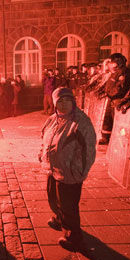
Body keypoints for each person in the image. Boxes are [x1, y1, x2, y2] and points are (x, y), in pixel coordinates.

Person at [39, 87, 96, 250]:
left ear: (73, 102)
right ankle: (59, 218)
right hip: (53, 168)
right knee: (53, 197)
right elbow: (44, 139)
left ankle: (74, 237)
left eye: (67, 100)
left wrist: (77, 171)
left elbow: (88, 150)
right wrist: (41, 155)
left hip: (70, 173)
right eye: (59, 101)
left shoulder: (81, 122)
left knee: (68, 206)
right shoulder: (52, 119)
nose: (63, 104)